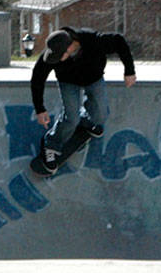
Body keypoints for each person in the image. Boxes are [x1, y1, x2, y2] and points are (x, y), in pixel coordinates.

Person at [30, 26, 136, 173]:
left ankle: (86, 120)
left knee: (100, 117)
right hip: (68, 82)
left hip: (93, 79)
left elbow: (119, 41)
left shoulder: (93, 40)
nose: (59, 60)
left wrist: (129, 70)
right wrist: (40, 109)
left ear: (71, 47)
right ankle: (51, 144)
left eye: (61, 56)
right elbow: (37, 78)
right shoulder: (54, 50)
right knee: (71, 118)